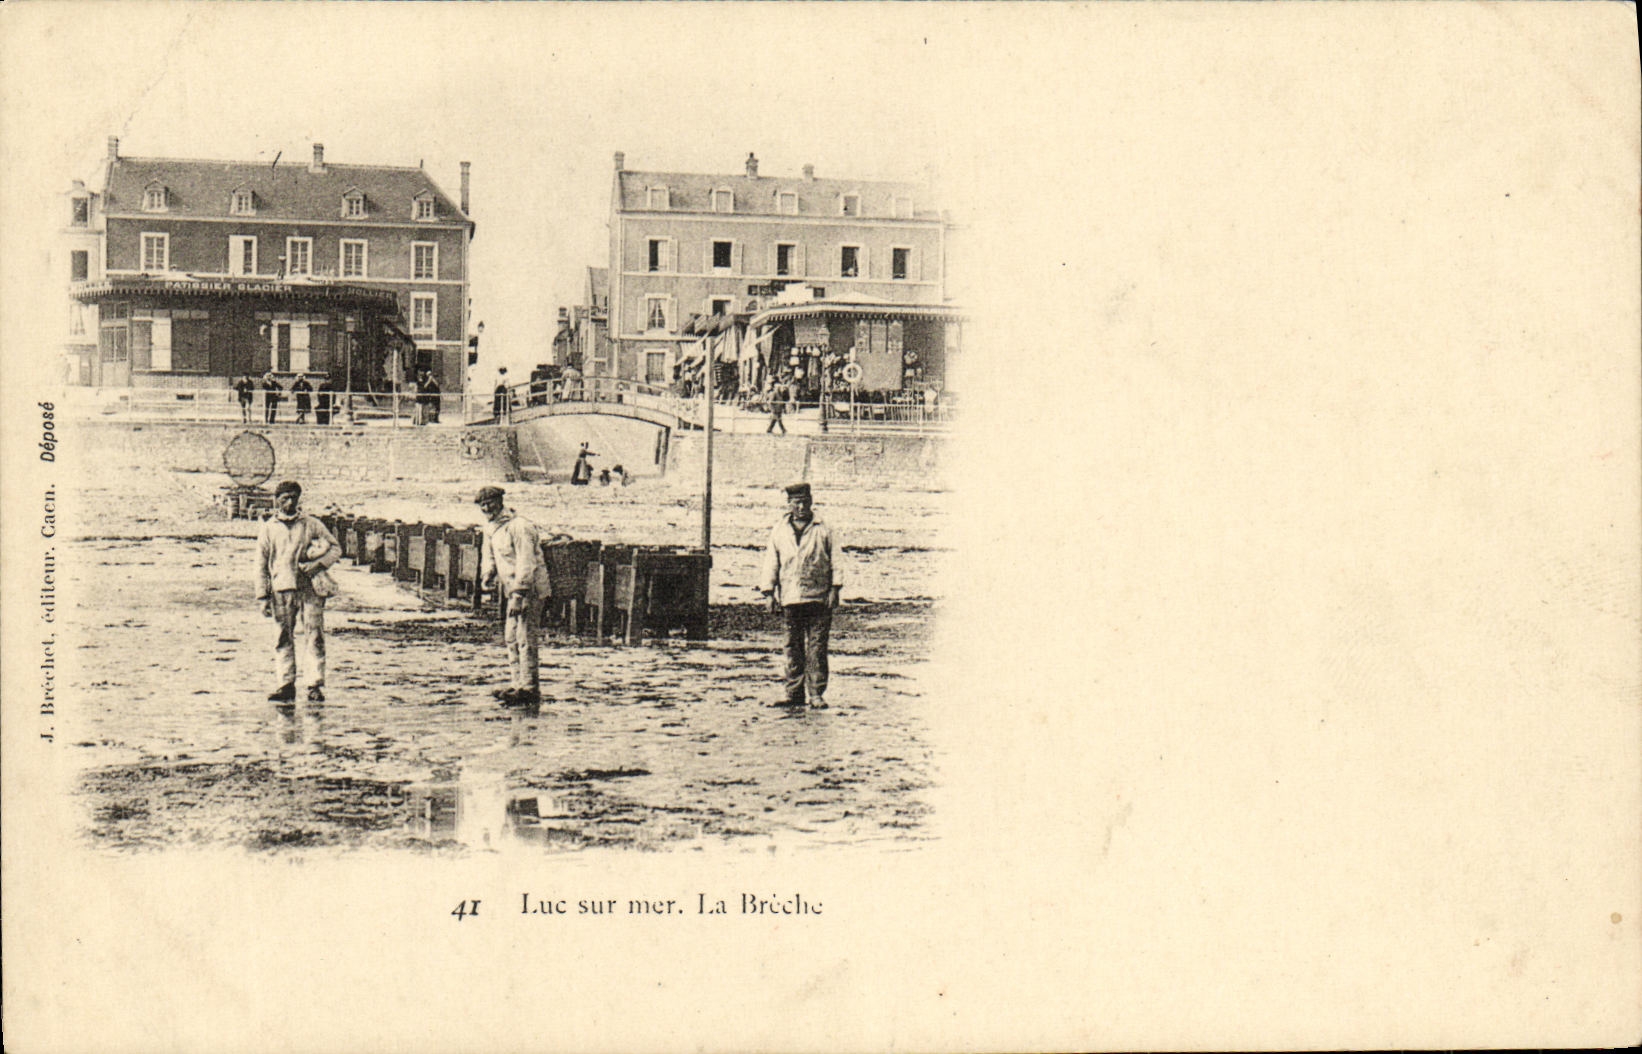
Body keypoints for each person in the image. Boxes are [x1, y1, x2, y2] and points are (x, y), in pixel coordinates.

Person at [758, 482, 844, 709]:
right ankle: (794, 693)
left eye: (805, 501)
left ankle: (816, 693)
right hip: (790, 597)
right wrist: (768, 593)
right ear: (789, 504)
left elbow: (837, 560)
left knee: (817, 647)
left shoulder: (824, 528)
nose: (802, 506)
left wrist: (835, 590)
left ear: (811, 501)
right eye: (797, 502)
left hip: (819, 598)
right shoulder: (779, 530)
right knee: (792, 647)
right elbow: (771, 563)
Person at [255, 481, 341, 703]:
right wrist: (262, 596)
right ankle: (286, 684)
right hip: (281, 590)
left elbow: (335, 548)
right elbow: (261, 564)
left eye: (294, 497)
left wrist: (319, 565)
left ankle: (314, 685)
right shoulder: (268, 527)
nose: (290, 502)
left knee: (314, 636)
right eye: (285, 498)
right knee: (283, 636)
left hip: (310, 589)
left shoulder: (312, 524)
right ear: (276, 500)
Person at [475, 485, 551, 706]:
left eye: (490, 502)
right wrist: (487, 574)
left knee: (525, 637)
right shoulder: (491, 528)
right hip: (512, 589)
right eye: (482, 505)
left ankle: (529, 688)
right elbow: (488, 555)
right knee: (511, 636)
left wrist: (519, 594)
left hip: (530, 589)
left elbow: (527, 563)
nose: (486, 508)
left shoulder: (520, 526)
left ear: (500, 502)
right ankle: (518, 683)